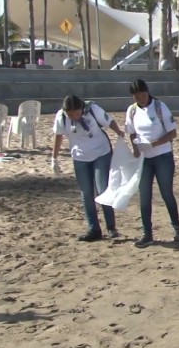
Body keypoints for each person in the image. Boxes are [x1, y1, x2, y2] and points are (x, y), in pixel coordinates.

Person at [51, 94, 125, 241]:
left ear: (82, 109)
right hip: (80, 156)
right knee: (86, 193)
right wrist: (54, 157)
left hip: (101, 153)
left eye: (77, 113)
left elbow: (109, 121)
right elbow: (58, 136)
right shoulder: (61, 117)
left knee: (102, 189)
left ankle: (111, 227)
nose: (74, 117)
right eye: (70, 114)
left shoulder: (93, 109)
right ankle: (94, 229)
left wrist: (119, 132)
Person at [125, 79, 179, 248]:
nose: (141, 99)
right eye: (137, 97)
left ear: (148, 92)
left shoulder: (159, 107)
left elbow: (173, 133)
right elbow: (132, 132)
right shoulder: (132, 111)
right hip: (144, 158)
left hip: (162, 155)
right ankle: (147, 233)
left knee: (166, 193)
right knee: (145, 196)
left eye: (143, 95)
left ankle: (176, 228)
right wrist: (136, 147)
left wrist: (154, 144)